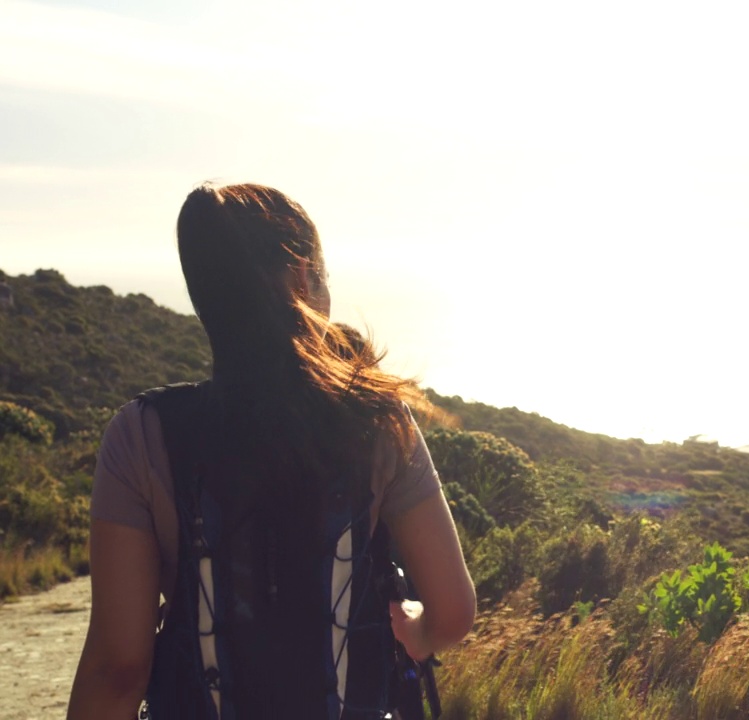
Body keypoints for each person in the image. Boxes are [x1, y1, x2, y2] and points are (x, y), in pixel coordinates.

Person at [67, 183, 475, 718]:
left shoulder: (139, 435)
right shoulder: (379, 422)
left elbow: (117, 669)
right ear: (305, 278)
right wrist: (418, 634)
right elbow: (452, 612)